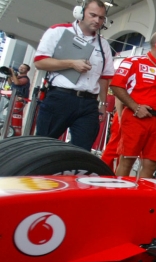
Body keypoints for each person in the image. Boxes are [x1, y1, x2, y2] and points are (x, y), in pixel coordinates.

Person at [33, 0, 114, 150]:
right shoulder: (58, 31)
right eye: (93, 15)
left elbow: (104, 77)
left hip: (89, 103)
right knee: (43, 146)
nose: (97, 20)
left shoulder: (104, 45)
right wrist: (71, 63)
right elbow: (40, 62)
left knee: (82, 151)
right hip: (60, 98)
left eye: (101, 18)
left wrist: (103, 104)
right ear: (80, 13)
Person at [110, 31, 156, 178]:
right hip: (135, 119)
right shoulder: (133, 62)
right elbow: (116, 85)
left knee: (152, 164)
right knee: (127, 160)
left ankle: (139, 192)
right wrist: (135, 107)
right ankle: (119, 190)